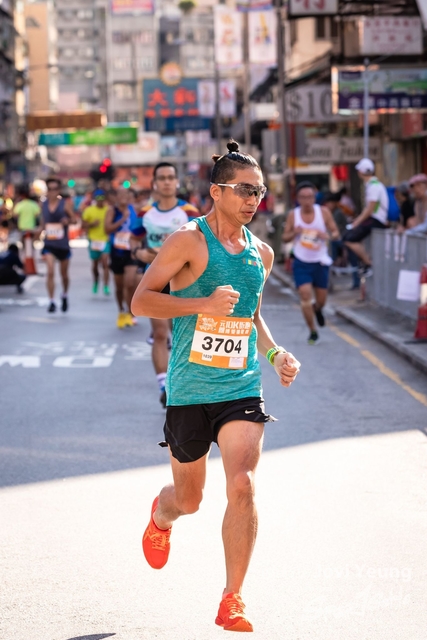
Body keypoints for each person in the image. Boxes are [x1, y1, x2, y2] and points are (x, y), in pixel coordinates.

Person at [131, 140, 301, 633]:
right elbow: (142, 301)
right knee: (190, 500)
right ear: (217, 191)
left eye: (259, 192)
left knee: (243, 484)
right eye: (245, 190)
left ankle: (233, 598)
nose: (253, 200)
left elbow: (251, 315)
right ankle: (162, 517)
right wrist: (201, 304)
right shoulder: (187, 241)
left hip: (240, 387)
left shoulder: (261, 253)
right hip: (189, 389)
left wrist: (275, 354)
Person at [131, 162, 200, 408]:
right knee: (160, 333)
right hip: (155, 280)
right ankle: (163, 386)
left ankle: (180, 382)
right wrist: (139, 253)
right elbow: (133, 240)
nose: (167, 182)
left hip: (184, 281)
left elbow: (202, 244)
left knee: (181, 334)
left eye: (171, 177)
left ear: (177, 181)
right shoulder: (144, 212)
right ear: (155, 183)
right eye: (162, 178)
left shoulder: (189, 212)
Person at [283, 182, 339, 344]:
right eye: (303, 197)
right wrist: (294, 233)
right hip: (301, 261)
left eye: (310, 197)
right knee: (305, 295)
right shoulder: (293, 215)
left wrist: (327, 235)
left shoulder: (323, 212)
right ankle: (312, 331)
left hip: (320, 261)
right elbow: (284, 237)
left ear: (315, 197)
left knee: (321, 300)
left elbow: (335, 232)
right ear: (298, 199)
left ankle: (317, 309)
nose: (307, 200)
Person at [343, 158, 388, 277]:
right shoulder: (373, 185)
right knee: (349, 237)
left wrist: (357, 222)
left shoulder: (373, 186)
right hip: (374, 219)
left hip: (376, 220)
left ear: (361, 172)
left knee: (349, 238)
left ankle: (368, 263)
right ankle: (367, 262)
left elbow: (370, 209)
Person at [104, 186, 140, 328]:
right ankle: (121, 310)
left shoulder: (134, 209)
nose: (124, 197)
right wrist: (122, 219)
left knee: (130, 283)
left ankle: (130, 313)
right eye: (120, 194)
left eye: (126, 194)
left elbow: (139, 229)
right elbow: (107, 229)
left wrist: (137, 246)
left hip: (130, 252)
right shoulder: (112, 211)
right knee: (119, 287)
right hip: (117, 252)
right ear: (116, 197)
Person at [39, 177, 75, 313]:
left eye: (55, 189)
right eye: (50, 189)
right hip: (49, 244)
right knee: (50, 272)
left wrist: (67, 220)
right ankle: (52, 301)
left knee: (64, 275)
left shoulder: (65, 204)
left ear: (59, 190)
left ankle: (64, 295)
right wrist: (38, 232)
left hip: (63, 245)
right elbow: (43, 222)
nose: (52, 192)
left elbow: (74, 219)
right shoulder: (43, 204)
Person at [81, 188, 111, 295]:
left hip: (105, 240)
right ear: (95, 199)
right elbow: (82, 225)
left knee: (105, 263)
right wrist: (92, 224)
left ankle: (106, 285)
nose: (100, 200)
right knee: (95, 265)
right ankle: (96, 281)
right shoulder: (89, 210)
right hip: (93, 240)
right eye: (98, 198)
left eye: (102, 197)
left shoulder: (108, 210)